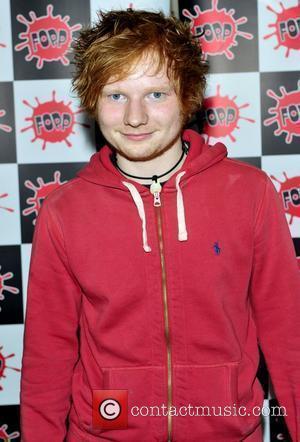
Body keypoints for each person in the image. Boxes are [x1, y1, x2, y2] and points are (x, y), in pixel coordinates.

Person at [20, 9, 300, 442]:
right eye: (116, 95)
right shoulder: (64, 211)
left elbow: (288, 336)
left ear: (187, 96)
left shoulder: (250, 194)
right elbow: (47, 357)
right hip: (103, 432)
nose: (135, 117)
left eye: (155, 94)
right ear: (92, 101)